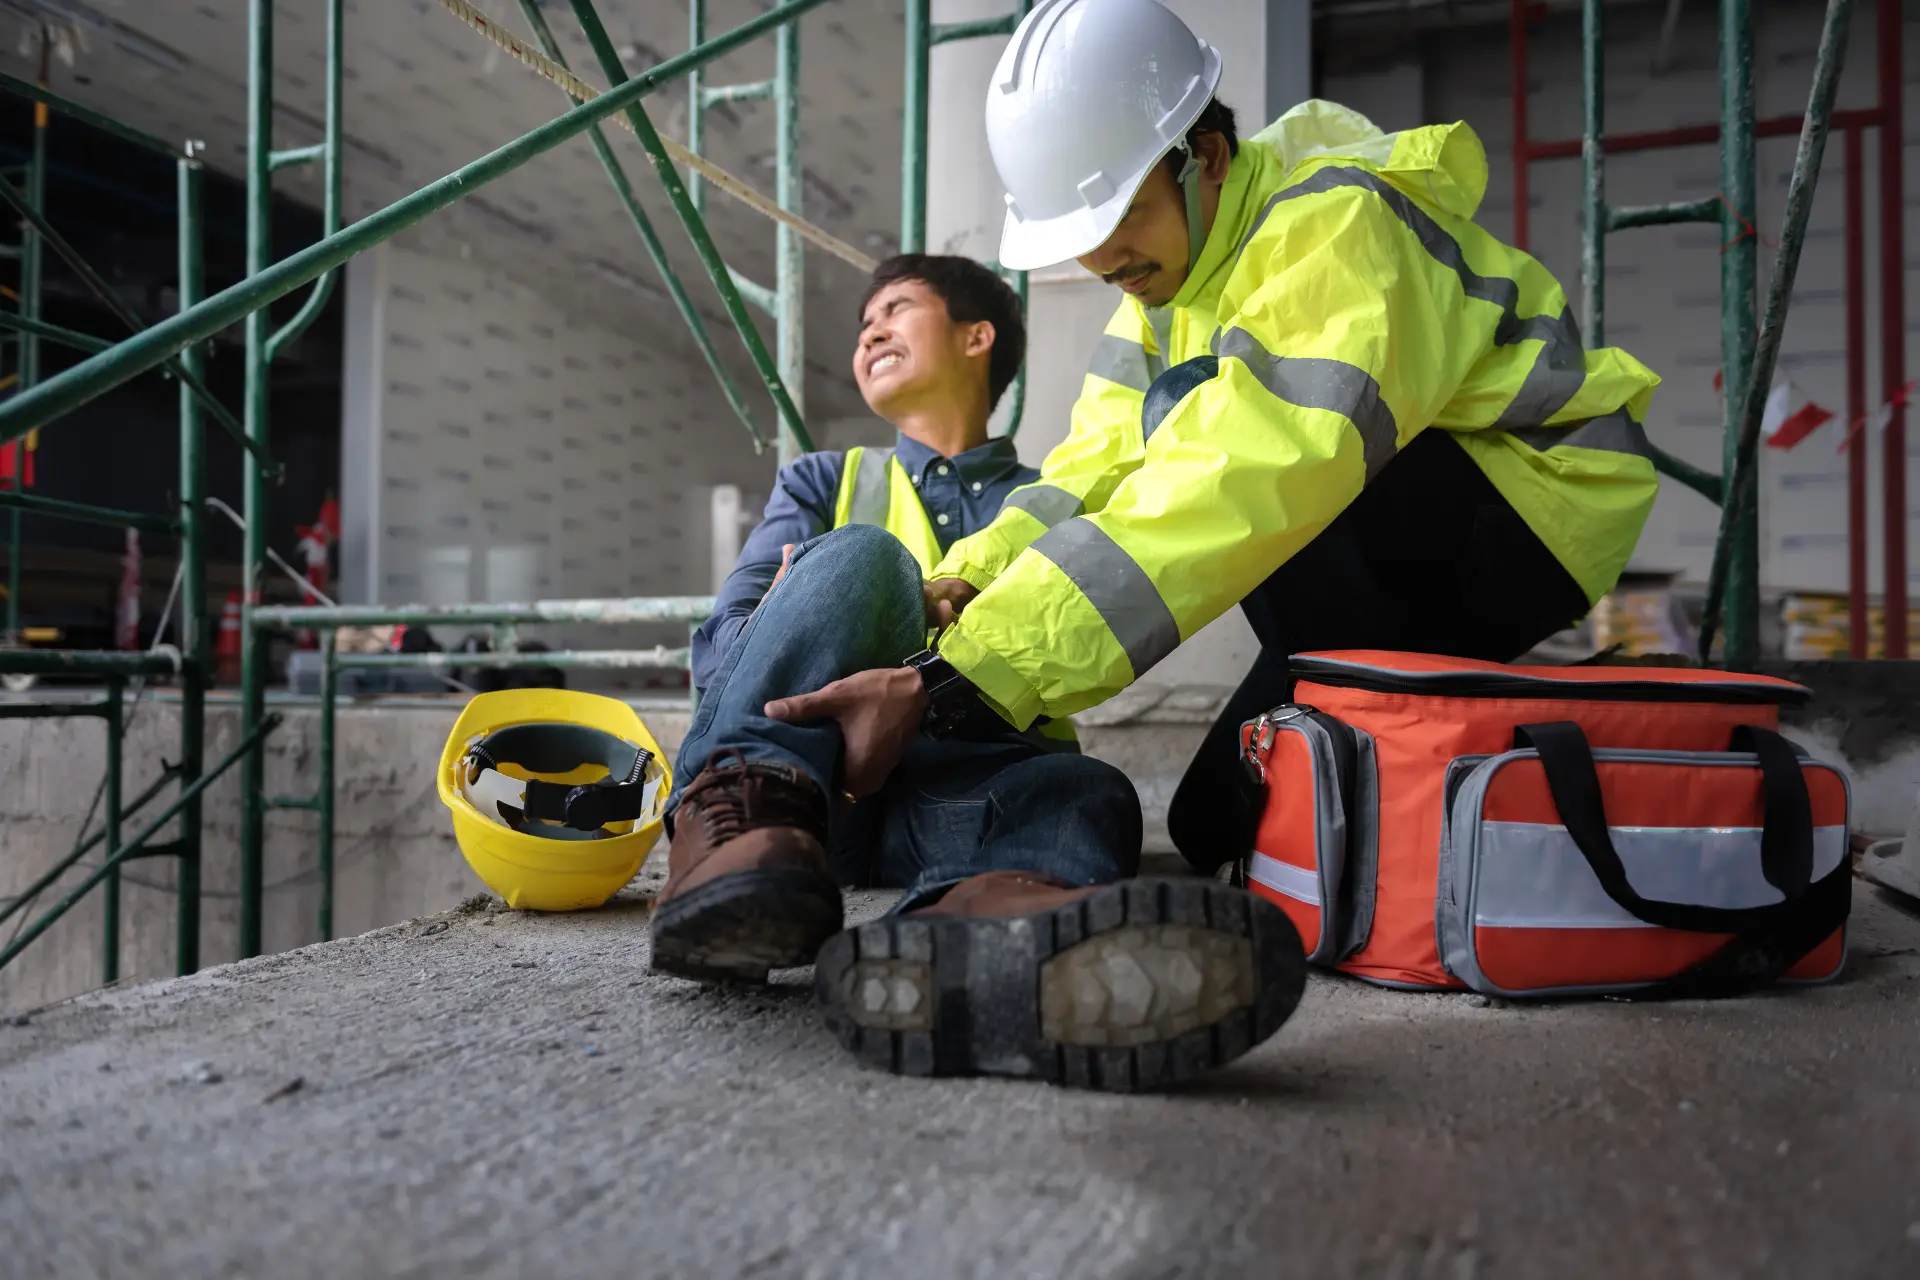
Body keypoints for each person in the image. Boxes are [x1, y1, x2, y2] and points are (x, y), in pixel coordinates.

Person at [788, 0, 1663, 890]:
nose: (1105, 258)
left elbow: (1249, 473)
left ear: (1204, 157)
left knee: (1191, 412)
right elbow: (1090, 472)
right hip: (1401, 519)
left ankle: (1459, 722)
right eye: (1081, 237)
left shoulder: (1337, 225)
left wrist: (968, 674)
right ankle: (1424, 725)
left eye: (1122, 214)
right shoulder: (1162, 295)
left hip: (1530, 506)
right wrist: (964, 585)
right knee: (1210, 825)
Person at [651, 254, 1311, 1091]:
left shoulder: (1055, 499)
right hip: (808, 789)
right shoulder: (825, 480)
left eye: (896, 309)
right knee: (865, 559)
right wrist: (838, 615)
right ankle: (736, 839)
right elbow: (725, 643)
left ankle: (986, 928)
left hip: (960, 798)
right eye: (863, 325)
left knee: (1084, 787)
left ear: (977, 337)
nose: (871, 332)